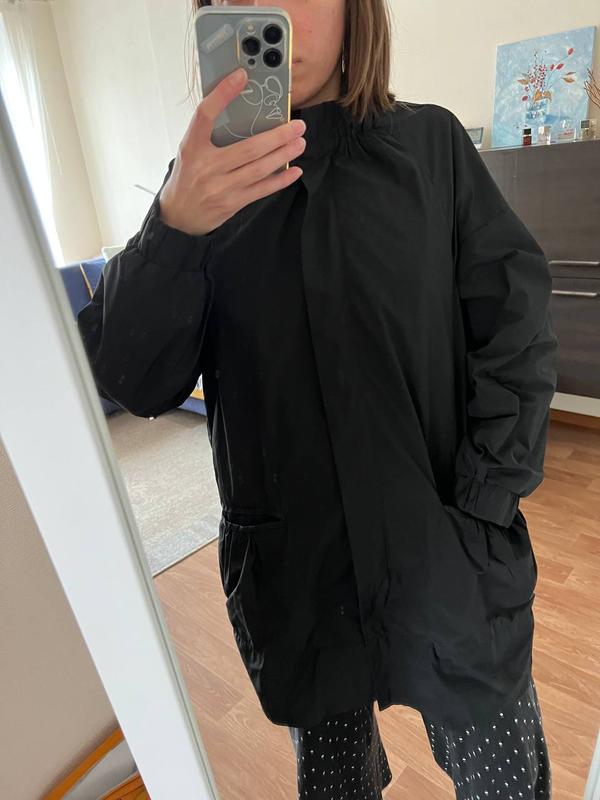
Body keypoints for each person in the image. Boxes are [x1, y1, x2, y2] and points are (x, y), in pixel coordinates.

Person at [77, 0, 557, 797]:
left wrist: (486, 499)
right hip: (298, 577)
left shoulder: (432, 148)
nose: (275, 12)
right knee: (335, 784)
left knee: (503, 777)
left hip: (448, 555)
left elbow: (515, 321)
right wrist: (174, 227)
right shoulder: (203, 192)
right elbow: (132, 379)